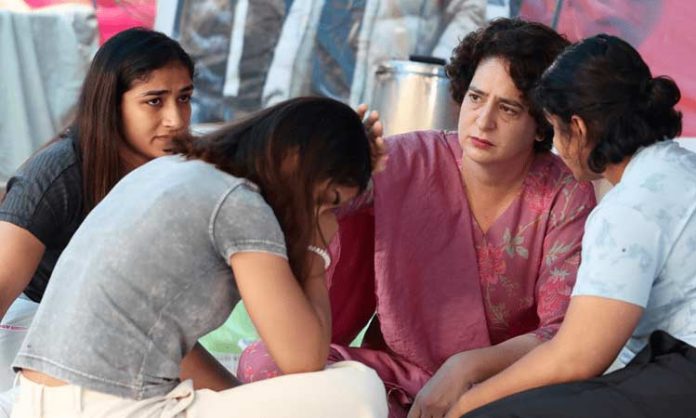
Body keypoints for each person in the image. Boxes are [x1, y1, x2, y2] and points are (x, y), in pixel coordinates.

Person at [238, 18, 597, 418]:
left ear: (541, 125)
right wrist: (338, 160)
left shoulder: (566, 196)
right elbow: (316, 204)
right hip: (396, 378)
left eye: (509, 108)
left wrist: (467, 367)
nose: (483, 120)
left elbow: (561, 334)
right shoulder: (408, 159)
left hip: (500, 388)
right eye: (476, 98)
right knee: (263, 364)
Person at [11, 97, 388, 417]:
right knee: (358, 388)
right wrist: (314, 248)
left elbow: (173, 348)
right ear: (295, 161)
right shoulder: (240, 204)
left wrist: (241, 396)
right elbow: (302, 359)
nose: (329, 219)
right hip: (103, 405)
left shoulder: (174, 168)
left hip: (37, 400)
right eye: (330, 203)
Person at [446, 34, 694, 418]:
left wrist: (469, 403)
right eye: (475, 98)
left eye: (555, 130)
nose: (557, 150)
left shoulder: (630, 207)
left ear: (577, 127)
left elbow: (577, 357)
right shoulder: (681, 165)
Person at [0, 27, 195, 390]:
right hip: (36, 329)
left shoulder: (188, 169)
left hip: (140, 329)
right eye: (155, 100)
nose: (177, 119)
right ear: (111, 103)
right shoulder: (55, 176)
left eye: (184, 98)